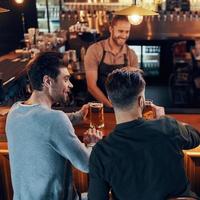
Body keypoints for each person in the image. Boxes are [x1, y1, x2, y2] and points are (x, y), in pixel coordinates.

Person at [88, 68, 200, 200]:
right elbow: (196, 136)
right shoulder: (167, 127)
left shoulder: (101, 151)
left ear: (110, 100)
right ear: (141, 101)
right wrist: (164, 119)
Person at [6, 52, 102, 200]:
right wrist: (92, 144)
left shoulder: (15, 111)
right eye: (65, 79)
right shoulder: (55, 120)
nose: (70, 85)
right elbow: (87, 164)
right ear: (48, 81)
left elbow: (41, 123)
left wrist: (77, 116)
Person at [84, 15, 138, 108]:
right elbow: (91, 86)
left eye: (127, 32)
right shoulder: (95, 50)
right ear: (111, 29)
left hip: (122, 106)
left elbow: (135, 86)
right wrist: (110, 106)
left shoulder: (131, 55)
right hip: (95, 106)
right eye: (120, 31)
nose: (124, 35)